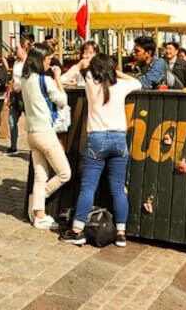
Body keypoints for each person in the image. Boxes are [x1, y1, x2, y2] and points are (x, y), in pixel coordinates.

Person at [61, 55, 141, 247]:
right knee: (118, 189)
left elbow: (63, 80)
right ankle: (121, 233)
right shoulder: (121, 86)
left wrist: (79, 65)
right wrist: (117, 72)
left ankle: (76, 231)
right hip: (119, 139)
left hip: (97, 138)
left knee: (88, 187)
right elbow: (137, 83)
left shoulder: (90, 82)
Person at [22, 42, 71, 230]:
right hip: (45, 132)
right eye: (49, 59)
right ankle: (38, 201)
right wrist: (57, 78)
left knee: (40, 175)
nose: (50, 63)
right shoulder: (46, 80)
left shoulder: (25, 80)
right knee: (64, 173)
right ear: (41, 59)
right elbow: (62, 100)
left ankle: (39, 214)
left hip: (32, 133)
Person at [5, 39, 29, 156]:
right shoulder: (16, 62)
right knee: (12, 120)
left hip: (26, 95)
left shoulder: (29, 63)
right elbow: (13, 79)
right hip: (15, 95)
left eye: (18, 48)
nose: (16, 51)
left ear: (24, 50)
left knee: (30, 122)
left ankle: (33, 147)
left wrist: (22, 86)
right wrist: (8, 93)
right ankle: (13, 146)